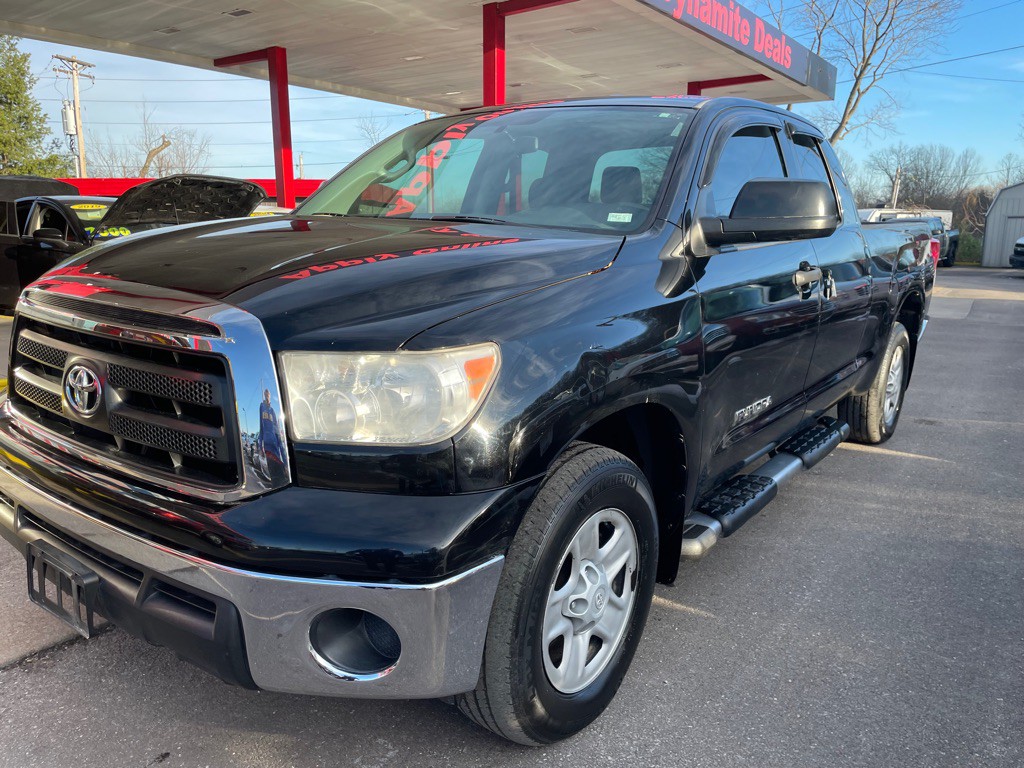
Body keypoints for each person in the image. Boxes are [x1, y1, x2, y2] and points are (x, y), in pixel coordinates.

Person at [257, 388, 286, 483]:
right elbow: (261, 428)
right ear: (265, 395)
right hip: (269, 449)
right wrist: (260, 447)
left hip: (276, 450)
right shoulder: (262, 407)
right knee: (276, 478)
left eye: (268, 393)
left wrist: (285, 461)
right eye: (266, 393)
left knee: (282, 478)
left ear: (269, 395)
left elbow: (278, 434)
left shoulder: (273, 411)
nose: (267, 394)